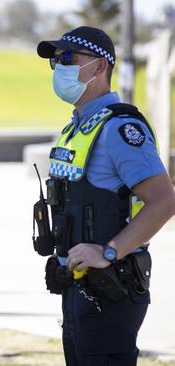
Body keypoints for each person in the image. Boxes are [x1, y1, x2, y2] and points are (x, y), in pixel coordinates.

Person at [34, 26, 175, 365]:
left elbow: (165, 200)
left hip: (111, 284)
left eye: (68, 58)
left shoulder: (121, 129)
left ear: (99, 67)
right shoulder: (77, 128)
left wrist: (110, 251)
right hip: (77, 283)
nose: (59, 66)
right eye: (55, 61)